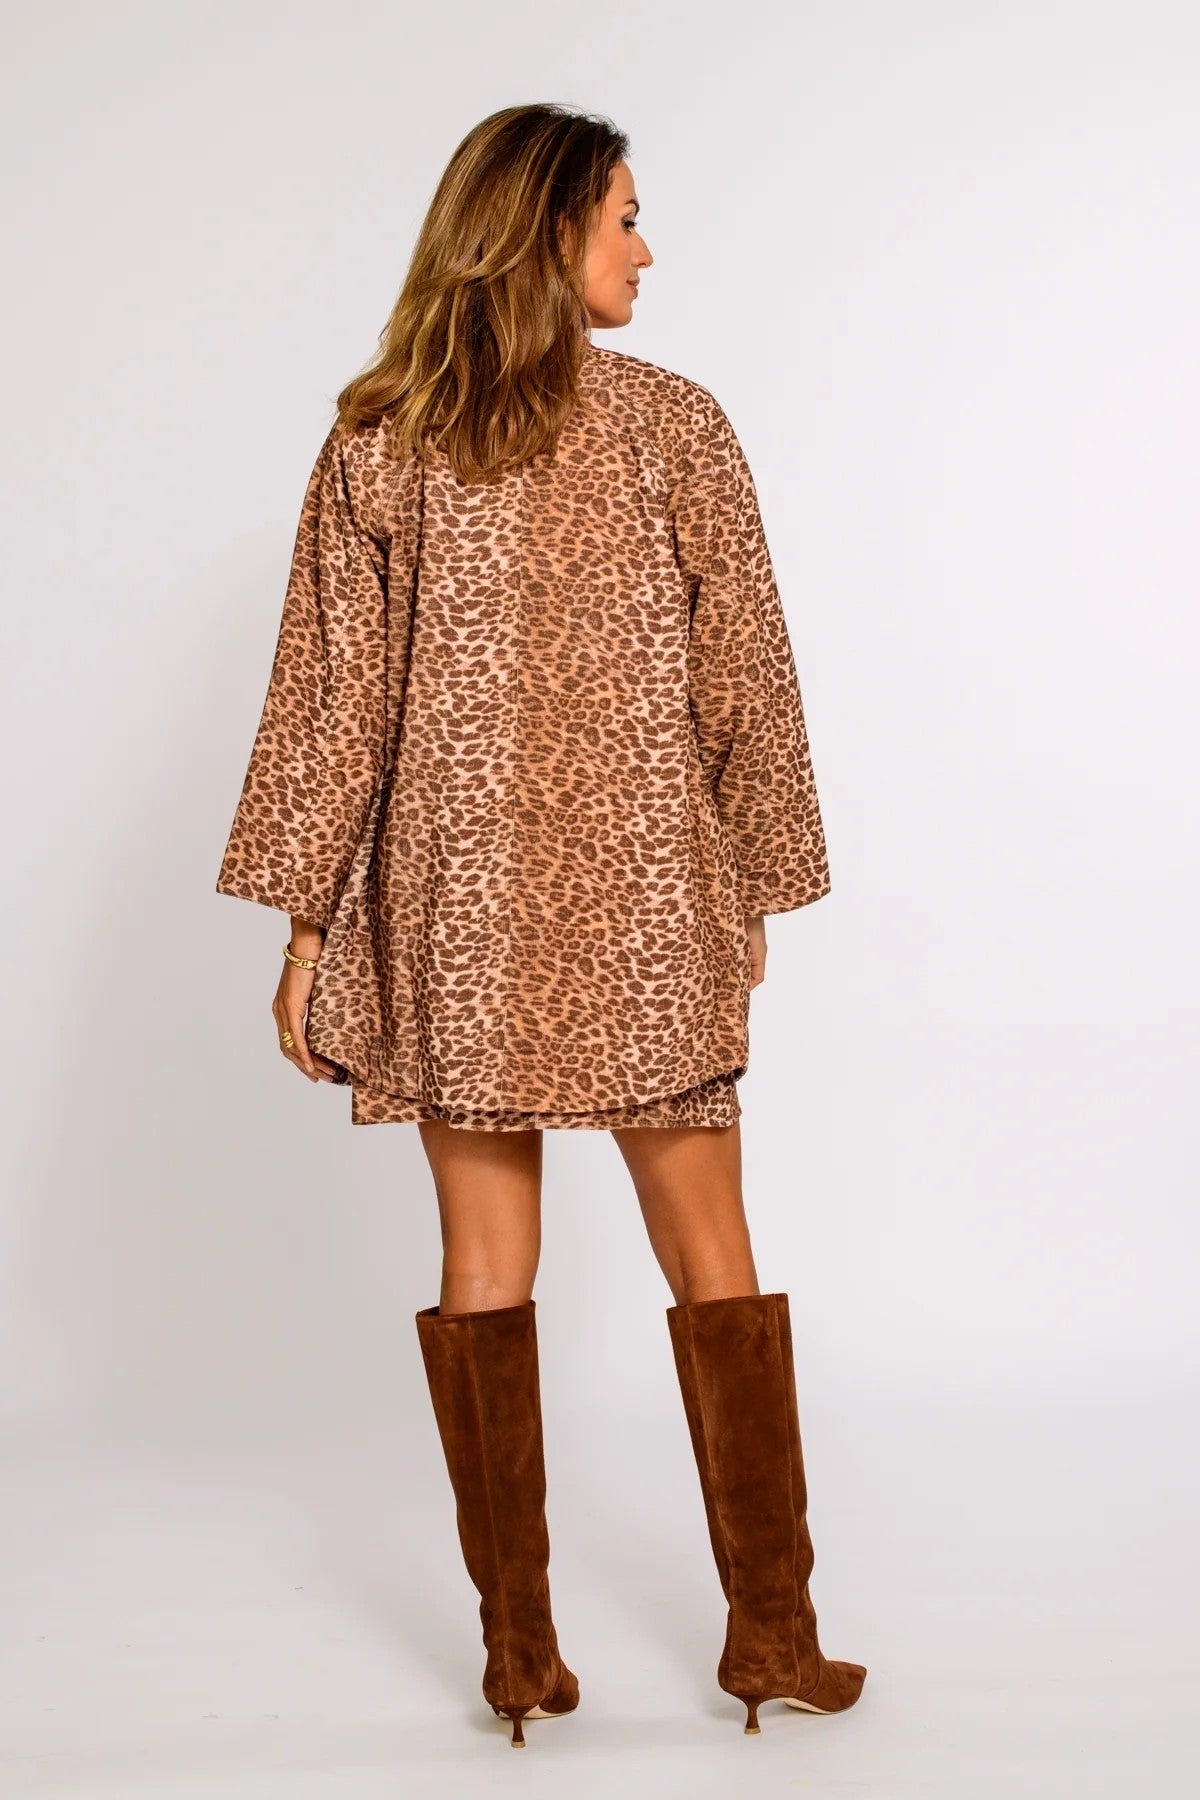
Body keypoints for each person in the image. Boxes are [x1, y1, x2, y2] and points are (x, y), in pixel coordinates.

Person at [215, 102, 866, 1746]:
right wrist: (750, 878)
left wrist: (309, 937)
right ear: (549, 226)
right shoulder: (675, 426)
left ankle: (521, 1659)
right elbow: (746, 673)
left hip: (464, 911)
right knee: (711, 1249)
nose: (648, 246)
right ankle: (773, 1638)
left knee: (484, 1259)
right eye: (626, 215)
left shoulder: (382, 441)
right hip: (648, 900)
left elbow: (330, 712)